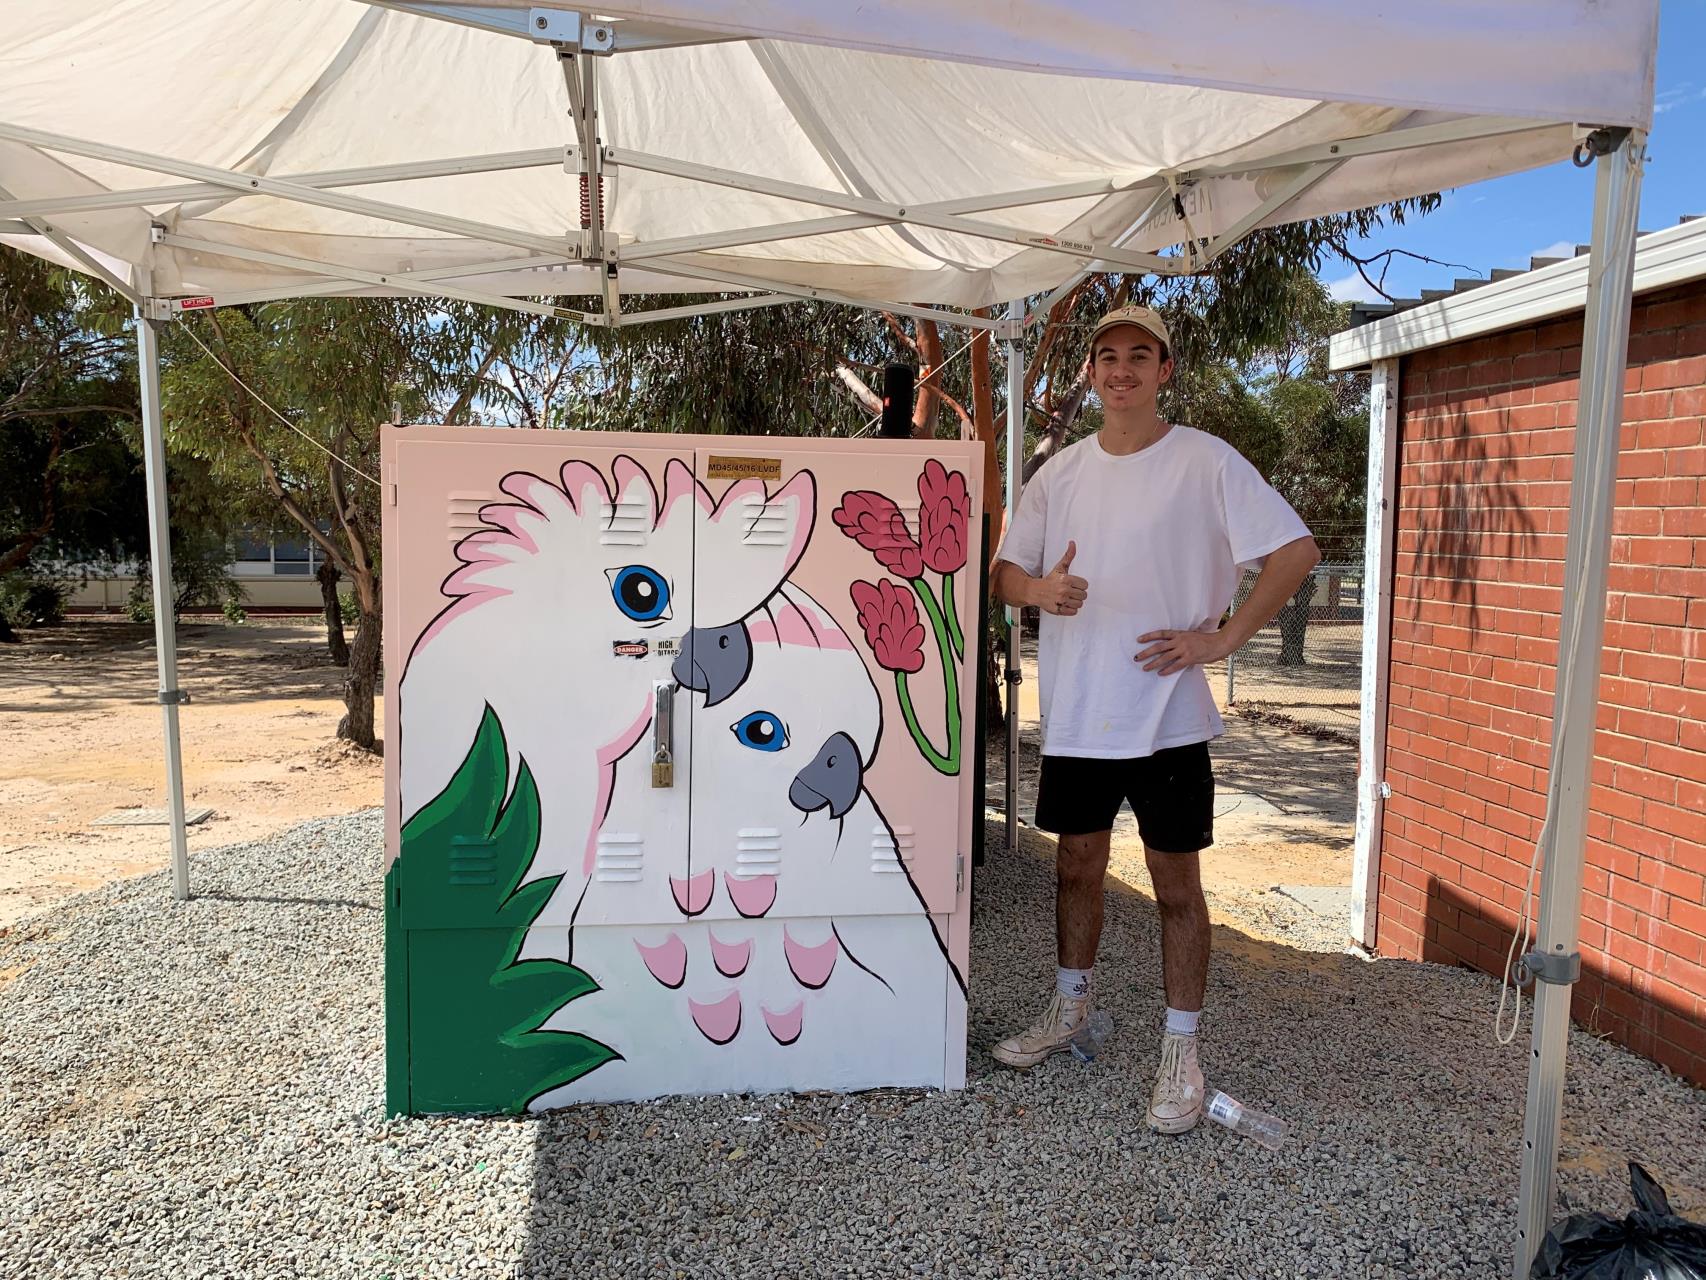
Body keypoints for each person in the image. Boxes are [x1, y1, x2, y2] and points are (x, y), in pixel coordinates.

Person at [989, 304, 1320, 1134]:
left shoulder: (1206, 462)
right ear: (1092, 373)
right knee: (1075, 870)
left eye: (1140, 355)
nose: (1122, 370)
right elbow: (1003, 573)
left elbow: (1295, 551)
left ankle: (1181, 1050)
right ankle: (1069, 1010)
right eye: (1108, 357)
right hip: (1079, 716)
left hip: (1169, 719)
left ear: (1165, 370)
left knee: (1177, 889)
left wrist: (1224, 637)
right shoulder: (1058, 475)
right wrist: (1038, 593)